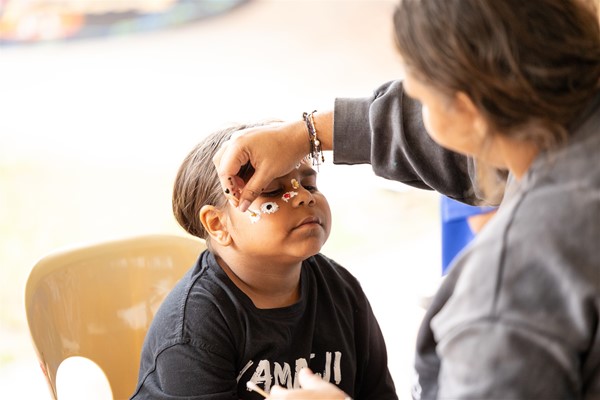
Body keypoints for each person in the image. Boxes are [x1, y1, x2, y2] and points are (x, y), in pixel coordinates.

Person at [212, 0, 600, 399]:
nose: (302, 199)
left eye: (423, 100)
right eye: (275, 192)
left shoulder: (508, 287)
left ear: (468, 111)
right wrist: (306, 134)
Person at [130, 123, 398, 400]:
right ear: (218, 224)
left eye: (309, 184)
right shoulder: (195, 328)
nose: (303, 196)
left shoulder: (341, 290)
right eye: (271, 190)